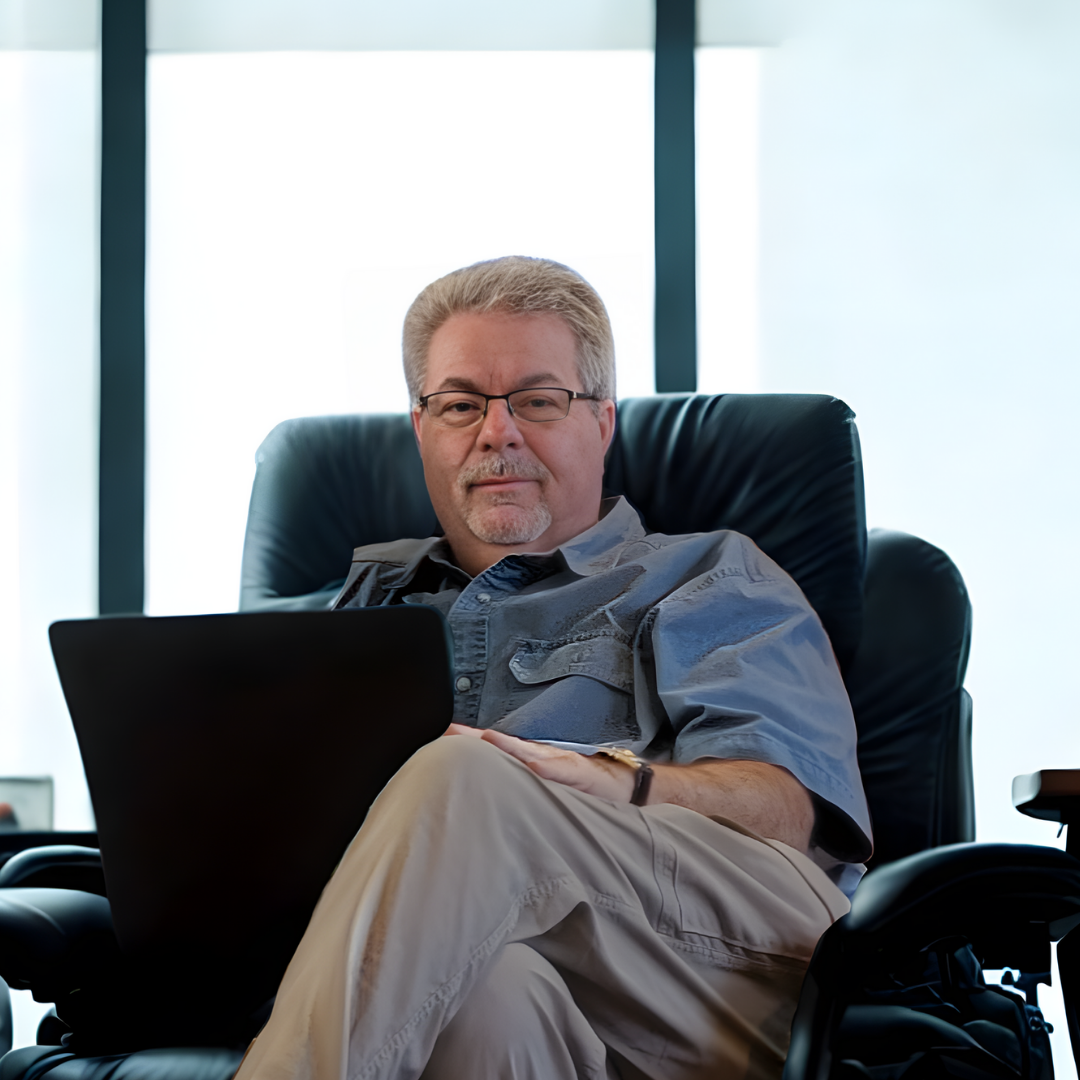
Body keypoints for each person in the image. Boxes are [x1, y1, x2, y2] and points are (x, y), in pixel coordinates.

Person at [235, 256, 872, 1080]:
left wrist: (617, 783)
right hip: (521, 978)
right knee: (482, 1003)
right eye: (461, 404)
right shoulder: (357, 612)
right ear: (422, 430)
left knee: (470, 773)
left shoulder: (708, 573)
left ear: (601, 424)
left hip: (724, 968)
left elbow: (789, 808)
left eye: (538, 400)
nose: (497, 433)